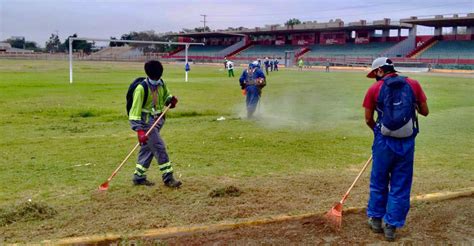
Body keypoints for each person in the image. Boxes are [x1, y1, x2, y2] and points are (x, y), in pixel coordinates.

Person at [363, 57, 429, 241]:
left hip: (383, 142)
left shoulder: (374, 89)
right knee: (401, 184)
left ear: (379, 71)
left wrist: (377, 134)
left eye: (374, 73)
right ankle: (391, 226)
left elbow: (368, 118)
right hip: (406, 142)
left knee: (379, 181)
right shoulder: (413, 84)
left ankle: (376, 220)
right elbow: (425, 111)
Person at [128, 60, 182, 188]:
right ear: (149, 75)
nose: (157, 80)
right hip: (146, 122)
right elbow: (134, 111)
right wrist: (139, 130)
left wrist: (171, 101)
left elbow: (165, 98)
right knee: (159, 147)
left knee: (147, 149)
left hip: (158, 120)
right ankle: (168, 178)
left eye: (159, 77)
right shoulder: (141, 89)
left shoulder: (161, 83)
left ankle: (138, 177)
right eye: (155, 78)